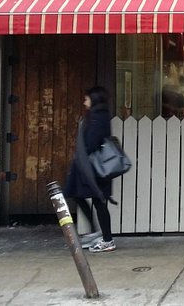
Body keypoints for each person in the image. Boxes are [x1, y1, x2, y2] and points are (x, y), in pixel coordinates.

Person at [63, 86, 116, 253]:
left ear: (93, 99)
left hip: (94, 167)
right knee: (91, 199)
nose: (84, 102)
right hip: (95, 167)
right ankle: (99, 233)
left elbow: (92, 143)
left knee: (98, 202)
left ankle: (107, 239)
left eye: (86, 99)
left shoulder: (96, 117)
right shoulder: (100, 115)